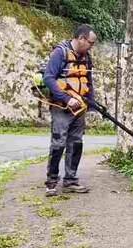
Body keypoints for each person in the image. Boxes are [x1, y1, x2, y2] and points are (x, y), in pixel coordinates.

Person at [42, 24, 97, 196]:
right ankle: (51, 182)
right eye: (90, 43)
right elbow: (48, 78)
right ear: (81, 38)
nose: (91, 46)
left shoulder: (86, 57)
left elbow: (88, 80)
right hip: (61, 107)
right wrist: (67, 99)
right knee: (58, 144)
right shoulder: (60, 53)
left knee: (76, 143)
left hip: (80, 107)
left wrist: (91, 103)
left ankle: (71, 180)